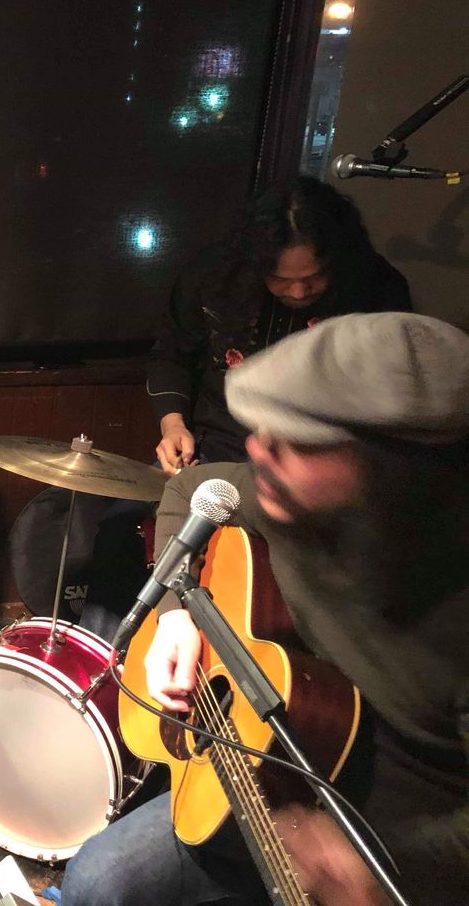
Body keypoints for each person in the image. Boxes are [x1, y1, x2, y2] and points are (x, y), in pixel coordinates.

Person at [61, 312, 469, 906]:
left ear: (393, 467)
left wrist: (376, 867)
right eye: (261, 427)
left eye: (297, 440)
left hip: (392, 850)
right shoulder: (289, 494)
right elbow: (189, 490)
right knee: (98, 881)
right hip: (268, 771)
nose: (258, 448)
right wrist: (176, 614)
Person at [148, 176, 411, 474]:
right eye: (281, 279)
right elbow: (171, 355)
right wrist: (173, 426)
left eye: (314, 277)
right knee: (134, 504)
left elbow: (392, 391)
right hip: (217, 448)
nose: (298, 292)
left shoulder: (377, 287)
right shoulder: (214, 275)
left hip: (322, 459)